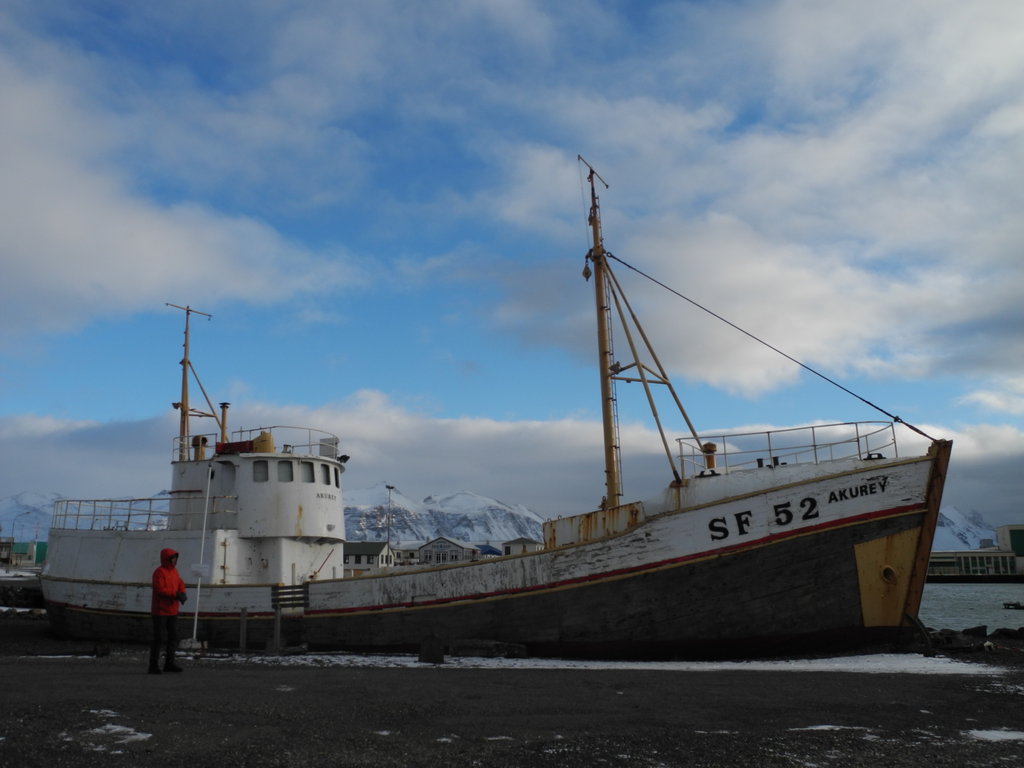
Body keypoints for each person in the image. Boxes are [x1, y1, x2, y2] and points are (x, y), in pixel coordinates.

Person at [149, 547, 187, 674]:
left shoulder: (174, 571)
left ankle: (169, 663)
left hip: (172, 610)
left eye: (175, 558)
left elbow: (180, 583)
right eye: (173, 558)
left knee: (173, 638)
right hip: (160, 611)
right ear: (167, 559)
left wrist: (182, 592)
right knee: (158, 639)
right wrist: (176, 594)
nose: (175, 560)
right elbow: (159, 589)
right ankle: (153, 665)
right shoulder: (159, 572)